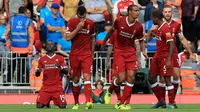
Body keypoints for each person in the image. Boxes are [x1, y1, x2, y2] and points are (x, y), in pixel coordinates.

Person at [101, 5, 147, 110]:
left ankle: (121, 103)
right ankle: (109, 90)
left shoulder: (139, 27)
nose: (137, 12)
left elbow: (141, 40)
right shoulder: (119, 21)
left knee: (131, 77)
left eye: (138, 11)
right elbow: (111, 31)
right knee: (121, 78)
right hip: (119, 52)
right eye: (135, 11)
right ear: (129, 12)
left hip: (130, 52)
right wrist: (104, 41)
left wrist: (143, 51)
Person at [152, 5, 196, 109]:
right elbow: (149, 37)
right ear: (163, 13)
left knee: (176, 75)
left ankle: (172, 100)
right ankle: (162, 101)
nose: (167, 13)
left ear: (172, 13)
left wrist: (190, 52)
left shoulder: (176, 25)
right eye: (165, 12)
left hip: (173, 53)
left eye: (169, 12)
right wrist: (150, 32)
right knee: (162, 79)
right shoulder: (157, 25)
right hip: (161, 54)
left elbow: (182, 39)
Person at [65, 6, 96, 110]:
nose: (82, 19)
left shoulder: (91, 23)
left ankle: (88, 102)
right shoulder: (72, 22)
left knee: (87, 77)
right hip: (74, 55)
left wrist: (91, 54)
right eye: (80, 17)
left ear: (86, 14)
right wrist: (78, 28)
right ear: (77, 14)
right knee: (76, 79)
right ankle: (76, 102)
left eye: (84, 17)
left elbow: (92, 38)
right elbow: (67, 37)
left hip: (86, 55)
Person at [147, 10, 175, 109]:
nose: (152, 20)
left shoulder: (165, 28)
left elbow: (171, 44)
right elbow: (148, 39)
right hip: (157, 55)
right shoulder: (157, 27)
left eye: (152, 18)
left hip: (165, 56)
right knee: (151, 77)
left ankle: (171, 103)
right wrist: (150, 31)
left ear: (156, 18)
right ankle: (161, 101)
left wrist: (168, 60)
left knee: (167, 79)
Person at [35, 41, 68, 109]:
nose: (50, 45)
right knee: (39, 106)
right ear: (46, 47)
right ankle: (47, 101)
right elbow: (37, 74)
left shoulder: (60, 58)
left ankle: (51, 99)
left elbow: (66, 71)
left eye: (51, 44)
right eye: (48, 44)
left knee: (62, 106)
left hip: (57, 87)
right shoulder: (42, 59)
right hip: (46, 87)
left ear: (55, 47)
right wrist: (38, 71)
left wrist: (60, 67)